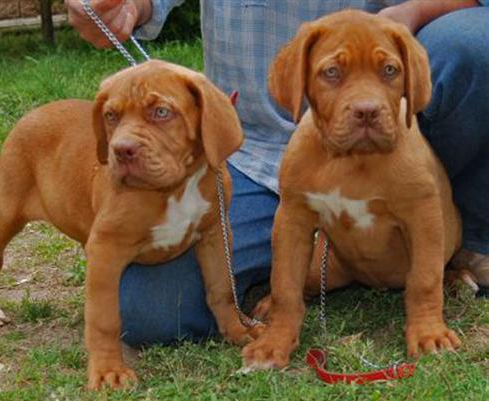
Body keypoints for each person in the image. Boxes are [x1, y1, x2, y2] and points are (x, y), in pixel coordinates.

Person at [65, 0, 489, 346]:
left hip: (390, 146)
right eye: (333, 73)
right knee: (148, 313)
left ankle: (462, 244)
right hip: (248, 155)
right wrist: (122, 6)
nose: (364, 100)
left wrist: (413, 11)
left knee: (474, 41)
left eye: (388, 71)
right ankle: (323, 262)